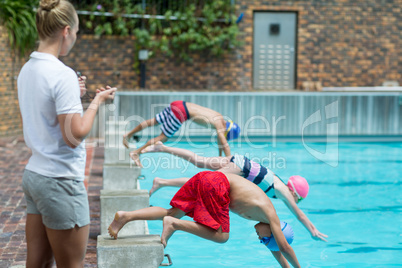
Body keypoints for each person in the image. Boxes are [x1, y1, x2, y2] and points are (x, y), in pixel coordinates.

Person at [17, 0, 116, 266]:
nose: (74, 38)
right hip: (60, 182)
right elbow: (74, 137)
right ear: (66, 30)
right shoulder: (62, 74)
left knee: (35, 263)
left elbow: (43, 115)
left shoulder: (27, 69)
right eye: (76, 33)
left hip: (36, 175)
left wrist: (75, 96)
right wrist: (96, 102)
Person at [142, 141, 328, 242]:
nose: (296, 202)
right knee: (203, 183)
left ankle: (163, 148)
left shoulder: (279, 183)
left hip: (240, 161)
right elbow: (299, 215)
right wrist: (313, 230)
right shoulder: (283, 191)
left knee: (199, 161)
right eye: (299, 199)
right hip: (241, 168)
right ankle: (163, 181)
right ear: (295, 192)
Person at [108, 171, 301, 268]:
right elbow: (283, 247)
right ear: (277, 232)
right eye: (265, 239)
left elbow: (276, 250)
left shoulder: (265, 222)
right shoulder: (271, 214)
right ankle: (175, 225)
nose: (260, 239)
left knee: (170, 213)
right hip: (217, 185)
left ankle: (125, 216)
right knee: (222, 236)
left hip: (206, 178)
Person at [122, 100, 240, 167]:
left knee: (154, 121)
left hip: (178, 104)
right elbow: (224, 144)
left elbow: (221, 142)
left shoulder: (219, 116)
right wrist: (230, 162)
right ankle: (136, 153)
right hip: (181, 113)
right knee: (163, 138)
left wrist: (220, 157)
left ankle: (129, 134)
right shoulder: (220, 124)